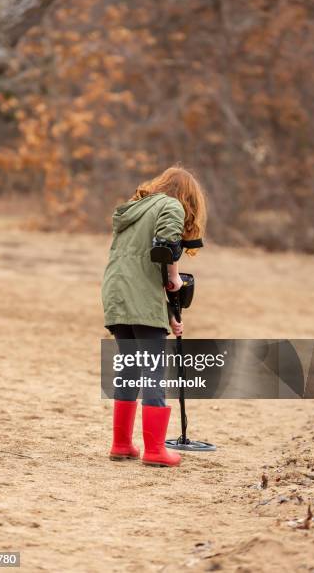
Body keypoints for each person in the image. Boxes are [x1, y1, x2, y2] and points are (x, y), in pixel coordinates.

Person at [102, 166, 206, 467]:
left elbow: (141, 265)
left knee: (131, 368)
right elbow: (165, 248)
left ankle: (121, 445)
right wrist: (174, 280)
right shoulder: (171, 206)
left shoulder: (134, 208)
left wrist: (169, 314)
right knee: (152, 371)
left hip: (117, 292)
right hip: (141, 294)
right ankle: (156, 450)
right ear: (187, 196)